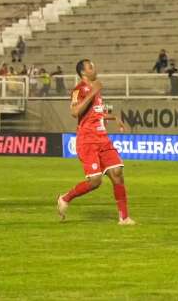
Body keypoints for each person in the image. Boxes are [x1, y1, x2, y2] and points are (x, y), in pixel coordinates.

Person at [56, 59, 135, 225]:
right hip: (87, 141)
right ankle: (65, 198)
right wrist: (93, 91)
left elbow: (96, 113)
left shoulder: (95, 90)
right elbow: (75, 111)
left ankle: (124, 217)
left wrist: (114, 117)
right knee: (95, 181)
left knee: (117, 173)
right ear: (83, 73)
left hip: (102, 139)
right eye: (91, 67)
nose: (95, 68)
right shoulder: (79, 90)